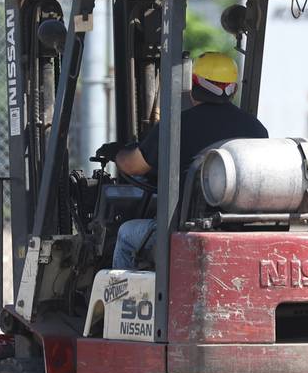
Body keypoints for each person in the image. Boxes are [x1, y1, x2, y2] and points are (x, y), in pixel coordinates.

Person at [100, 51, 268, 269]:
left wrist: (116, 153)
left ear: (194, 85)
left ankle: (119, 302)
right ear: (233, 89)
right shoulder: (257, 129)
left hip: (187, 229)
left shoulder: (178, 125)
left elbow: (133, 165)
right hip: (239, 228)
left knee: (126, 234)